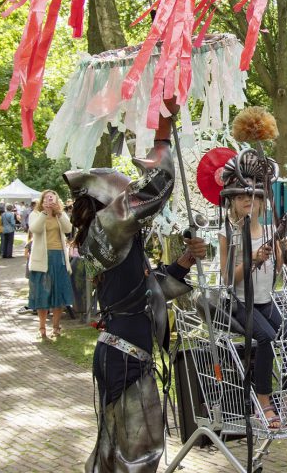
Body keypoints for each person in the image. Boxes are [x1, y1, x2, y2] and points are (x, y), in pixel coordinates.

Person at [65, 98, 206, 472]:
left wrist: (182, 264)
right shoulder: (106, 230)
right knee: (140, 455)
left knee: (118, 454)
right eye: (124, 196)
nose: (131, 201)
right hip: (124, 356)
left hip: (124, 355)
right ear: (109, 204)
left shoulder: (111, 239)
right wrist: (161, 130)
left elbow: (142, 288)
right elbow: (158, 185)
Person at [217, 149, 287, 430]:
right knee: (266, 338)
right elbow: (228, 279)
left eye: (253, 197)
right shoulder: (227, 233)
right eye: (241, 196)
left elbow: (278, 269)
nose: (247, 201)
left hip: (265, 301)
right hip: (241, 304)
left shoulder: (268, 230)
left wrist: (282, 250)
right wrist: (252, 260)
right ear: (232, 200)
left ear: (262, 202)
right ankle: (262, 402)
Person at [27, 189, 73, 339]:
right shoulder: (36, 214)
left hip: (59, 256)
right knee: (43, 293)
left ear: (56, 200)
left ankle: (56, 326)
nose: (49, 202)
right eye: (47, 199)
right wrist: (45, 213)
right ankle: (41, 327)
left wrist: (59, 213)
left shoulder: (60, 214)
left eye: (52, 199)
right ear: (42, 201)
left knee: (58, 292)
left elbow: (69, 229)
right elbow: (34, 229)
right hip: (42, 258)